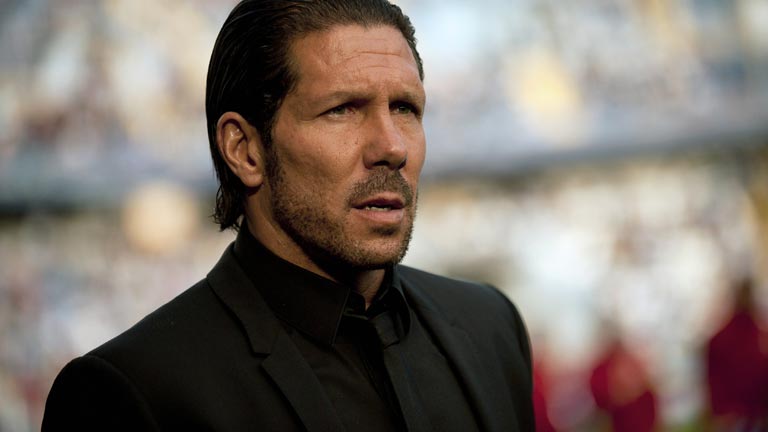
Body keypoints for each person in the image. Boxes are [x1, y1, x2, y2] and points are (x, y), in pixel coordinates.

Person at [42, 0, 534, 430]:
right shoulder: (131, 392)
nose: (392, 147)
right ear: (245, 149)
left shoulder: (491, 327)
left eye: (405, 108)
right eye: (343, 109)